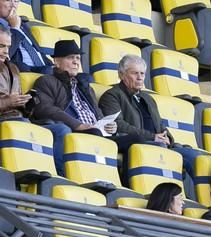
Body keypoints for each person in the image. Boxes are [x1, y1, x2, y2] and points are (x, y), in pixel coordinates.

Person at [31, 40, 144, 171]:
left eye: (78, 58)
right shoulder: (46, 81)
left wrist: (109, 125)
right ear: (56, 61)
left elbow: (97, 113)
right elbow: (46, 109)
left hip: (98, 132)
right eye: (70, 57)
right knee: (96, 133)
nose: (76, 62)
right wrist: (77, 124)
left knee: (137, 139)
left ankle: (128, 186)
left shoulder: (85, 86)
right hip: (76, 130)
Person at [98, 55, 200, 176]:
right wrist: (152, 137)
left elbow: (160, 125)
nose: (140, 78)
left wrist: (169, 139)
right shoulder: (112, 96)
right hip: (140, 144)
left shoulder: (148, 98)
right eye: (135, 73)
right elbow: (119, 125)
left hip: (160, 143)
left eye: (142, 73)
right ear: (121, 75)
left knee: (195, 157)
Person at [0, 25, 70, 174]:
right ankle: (22, 173)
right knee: (23, 124)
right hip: (5, 122)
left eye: (8, 46)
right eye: (1, 46)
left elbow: (18, 107)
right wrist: (8, 103)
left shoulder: (13, 68)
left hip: (19, 120)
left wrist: (27, 104)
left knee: (61, 129)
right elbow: (8, 102)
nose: (6, 51)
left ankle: (56, 176)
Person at [0, 0, 52, 74]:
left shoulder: (23, 24)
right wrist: (15, 28)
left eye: (16, 1)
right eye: (8, 0)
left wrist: (53, 66)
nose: (13, 5)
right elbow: (6, 54)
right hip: (23, 70)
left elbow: (38, 52)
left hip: (41, 70)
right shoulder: (15, 25)